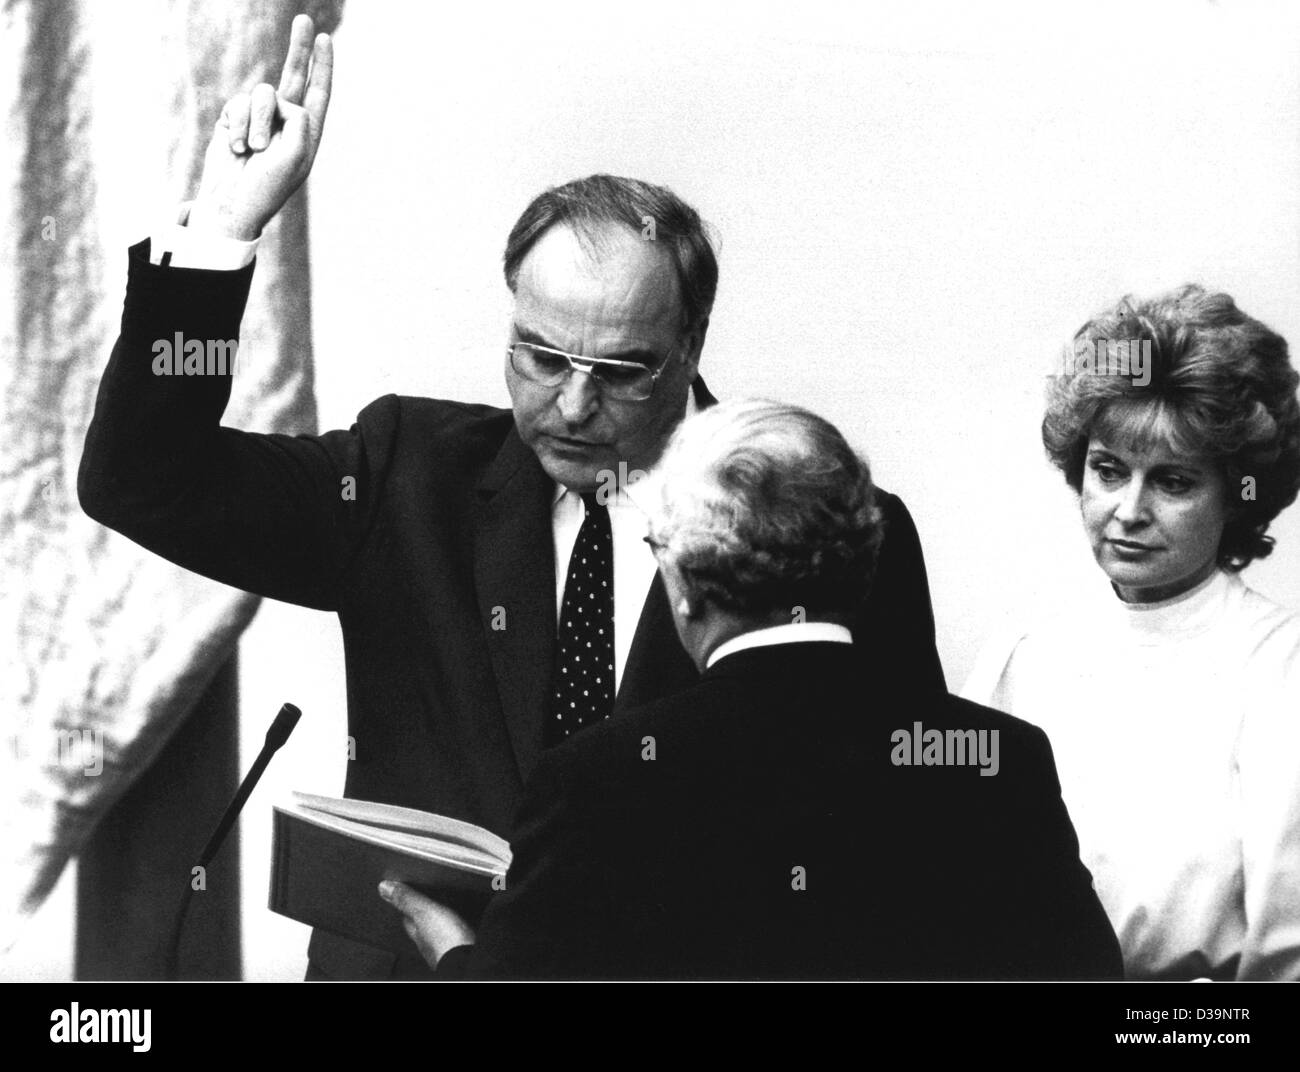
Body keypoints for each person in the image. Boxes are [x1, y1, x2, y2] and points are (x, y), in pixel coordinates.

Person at [76, 16, 946, 980]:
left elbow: (897, 839)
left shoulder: (824, 529)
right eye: (540, 357)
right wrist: (228, 229)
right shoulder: (405, 471)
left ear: (691, 347)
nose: (572, 407)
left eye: (620, 370)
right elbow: (141, 481)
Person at [380, 399, 1123, 980]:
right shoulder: (998, 758)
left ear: (686, 589)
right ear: (863, 560)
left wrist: (452, 956)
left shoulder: (595, 781)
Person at [963, 284, 1300, 980]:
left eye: (1174, 482)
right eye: (1109, 471)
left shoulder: (1279, 664)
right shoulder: (1022, 656)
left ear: (1238, 496)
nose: (1129, 511)